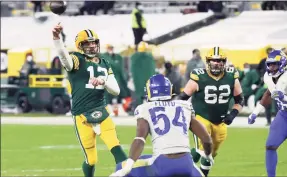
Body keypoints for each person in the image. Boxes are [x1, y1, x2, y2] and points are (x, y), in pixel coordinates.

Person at [52, 23, 127, 177]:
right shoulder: (76, 59)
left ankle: (130, 174)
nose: (92, 46)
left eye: (94, 42)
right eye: (87, 43)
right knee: (91, 160)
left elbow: (116, 90)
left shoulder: (105, 63)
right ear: (80, 46)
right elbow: (64, 58)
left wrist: (103, 81)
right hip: (81, 115)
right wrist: (56, 39)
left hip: (101, 111)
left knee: (116, 147)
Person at [110, 74, 213, 177]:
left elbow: (140, 140)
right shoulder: (184, 106)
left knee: (121, 166)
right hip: (186, 164)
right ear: (170, 89)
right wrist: (208, 157)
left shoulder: (145, 108)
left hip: (163, 164)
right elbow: (207, 139)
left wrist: (127, 167)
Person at [178, 47, 244, 177]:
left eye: (220, 61)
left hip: (221, 121)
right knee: (203, 148)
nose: (216, 63)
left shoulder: (231, 75)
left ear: (224, 62)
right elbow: (183, 97)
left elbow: (240, 99)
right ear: (208, 61)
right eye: (213, 60)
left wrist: (233, 114)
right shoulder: (198, 76)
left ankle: (202, 174)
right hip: (201, 117)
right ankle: (179, 170)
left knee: (211, 153)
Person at [248, 50, 287, 177]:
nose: (271, 67)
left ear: (282, 64)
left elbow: (283, 96)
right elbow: (268, 94)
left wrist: (286, 99)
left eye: (274, 64)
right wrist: (255, 112)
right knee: (271, 145)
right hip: (285, 115)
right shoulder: (268, 77)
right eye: (270, 64)